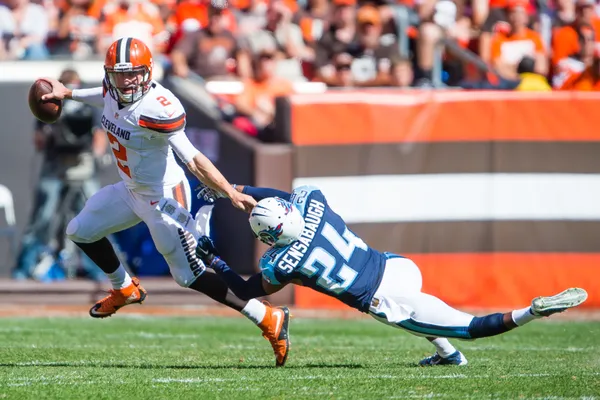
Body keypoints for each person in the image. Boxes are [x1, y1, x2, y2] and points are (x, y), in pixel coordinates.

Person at [38, 37, 290, 367]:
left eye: (133, 74)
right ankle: (125, 289)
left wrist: (230, 191)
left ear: (148, 72)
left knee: (189, 275)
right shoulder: (110, 90)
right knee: (80, 230)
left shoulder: (159, 106)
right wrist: (67, 93)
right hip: (130, 190)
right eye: (119, 74)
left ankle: (268, 318)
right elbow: (102, 98)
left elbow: (194, 159)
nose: (126, 81)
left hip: (164, 198)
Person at [190, 183, 588, 366]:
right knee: (422, 317)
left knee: (469, 325)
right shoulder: (313, 201)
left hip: (383, 297)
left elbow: (245, 289)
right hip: (396, 265)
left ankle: (532, 311)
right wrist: (236, 189)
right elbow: (274, 192)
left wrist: (215, 260)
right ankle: (448, 356)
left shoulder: (284, 262)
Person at [14, 68, 107, 282]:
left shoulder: (87, 106)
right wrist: (52, 126)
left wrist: (95, 154)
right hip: (55, 163)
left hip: (82, 163)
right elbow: (39, 140)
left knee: (95, 217)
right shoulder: (49, 102)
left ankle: (100, 269)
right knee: (43, 218)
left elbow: (98, 135)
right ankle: (24, 267)